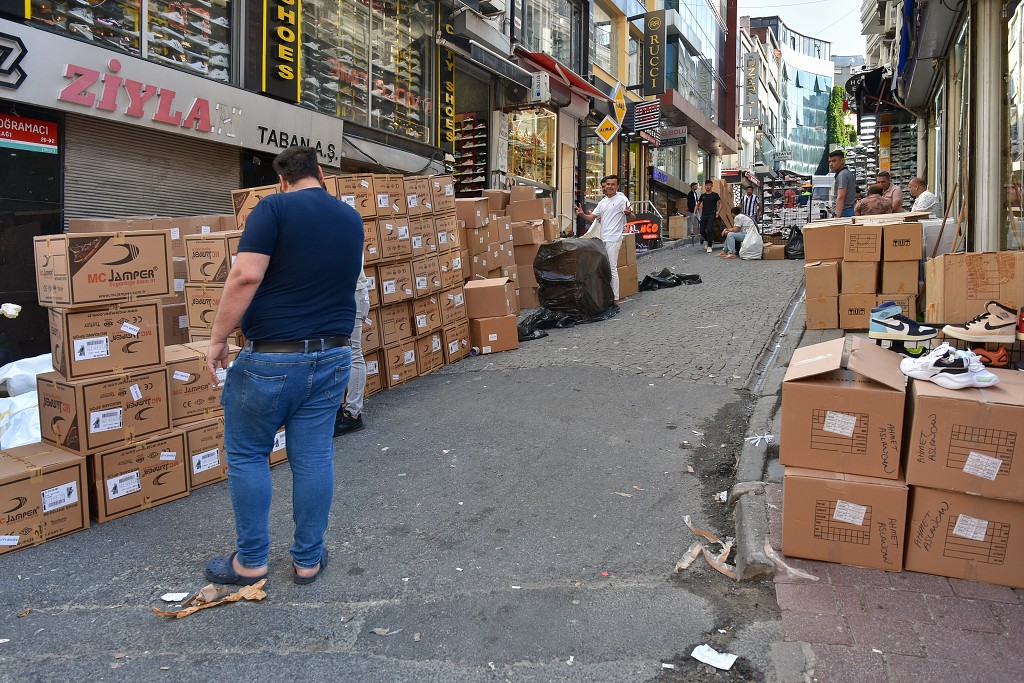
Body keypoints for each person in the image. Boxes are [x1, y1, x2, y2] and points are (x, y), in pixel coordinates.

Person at [204, 146, 363, 586]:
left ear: (281, 181)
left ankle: (251, 561)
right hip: (333, 354)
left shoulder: (272, 208)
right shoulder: (351, 218)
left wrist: (218, 339)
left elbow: (246, 275)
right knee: (313, 457)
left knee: (248, 454)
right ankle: (308, 560)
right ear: (321, 174)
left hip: (273, 358)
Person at [576, 174, 635, 302]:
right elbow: (591, 218)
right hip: (602, 239)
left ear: (617, 186)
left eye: (613, 184)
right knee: (604, 268)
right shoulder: (602, 202)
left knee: (612, 267)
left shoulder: (622, 199)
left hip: (614, 239)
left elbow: (633, 217)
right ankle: (607, 296)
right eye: (608, 184)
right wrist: (581, 214)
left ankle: (615, 299)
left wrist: (628, 213)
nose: (609, 186)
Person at [333, 261, 370, 436]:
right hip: (336, 294)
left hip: (352, 292)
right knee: (334, 352)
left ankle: (353, 413)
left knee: (353, 352)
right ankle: (337, 409)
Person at [695, 179, 723, 253]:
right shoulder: (703, 196)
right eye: (706, 185)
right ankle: (707, 240)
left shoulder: (715, 195)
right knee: (702, 231)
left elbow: (721, 204)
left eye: (709, 185)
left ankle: (709, 246)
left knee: (709, 229)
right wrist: (695, 213)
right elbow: (698, 204)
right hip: (704, 215)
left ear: (712, 186)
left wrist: (718, 212)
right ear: (705, 186)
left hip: (712, 214)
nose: (708, 187)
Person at [828, 150, 856, 217]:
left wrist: (837, 216)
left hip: (843, 211)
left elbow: (841, 197)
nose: (831, 164)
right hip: (848, 210)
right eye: (829, 161)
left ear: (842, 161)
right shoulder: (847, 173)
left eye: (834, 161)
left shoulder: (842, 175)